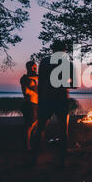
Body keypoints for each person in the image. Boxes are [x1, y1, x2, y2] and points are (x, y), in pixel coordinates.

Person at [30, 40, 74, 168]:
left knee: (40, 129)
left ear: (53, 49)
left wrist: (40, 100)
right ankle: (61, 161)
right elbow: (74, 84)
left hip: (46, 98)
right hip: (61, 98)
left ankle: (34, 158)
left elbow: (41, 83)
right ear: (64, 50)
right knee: (63, 130)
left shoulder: (44, 62)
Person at [20, 61, 38, 151]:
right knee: (29, 126)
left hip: (36, 104)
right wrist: (35, 92)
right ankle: (27, 146)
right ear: (28, 68)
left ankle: (33, 144)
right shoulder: (24, 78)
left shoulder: (35, 79)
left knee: (35, 125)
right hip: (29, 104)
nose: (35, 69)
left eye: (36, 67)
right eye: (33, 67)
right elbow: (25, 91)